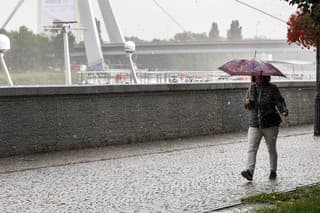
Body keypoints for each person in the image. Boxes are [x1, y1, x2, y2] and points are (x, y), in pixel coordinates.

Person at [241, 75, 288, 181]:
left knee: (271, 148)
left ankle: (273, 171)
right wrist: (247, 103)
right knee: (251, 148)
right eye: (257, 75)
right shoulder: (251, 88)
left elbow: (280, 101)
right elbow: (248, 106)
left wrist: (283, 110)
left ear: (266, 76)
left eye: (261, 75)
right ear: (254, 76)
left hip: (270, 123)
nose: (259, 77)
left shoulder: (272, 88)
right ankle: (249, 171)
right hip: (254, 123)